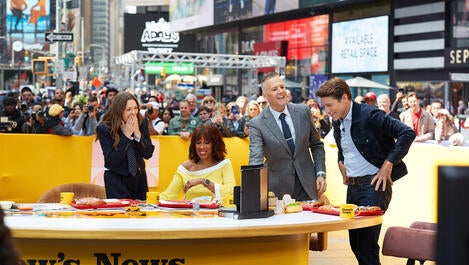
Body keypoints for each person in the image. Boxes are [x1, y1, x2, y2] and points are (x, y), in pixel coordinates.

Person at [315, 77, 415, 265]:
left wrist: (388, 164)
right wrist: (341, 162)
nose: (327, 111)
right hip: (353, 188)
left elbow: (407, 133)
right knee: (356, 245)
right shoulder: (337, 120)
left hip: (373, 186)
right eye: (325, 106)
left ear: (344, 98)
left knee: (367, 247)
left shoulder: (370, 115)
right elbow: (344, 147)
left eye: (330, 105)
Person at [249, 72, 327, 201]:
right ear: (265, 96)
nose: (281, 91)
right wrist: (254, 188)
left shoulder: (303, 111)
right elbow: (255, 159)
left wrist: (320, 173)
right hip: (277, 192)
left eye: (282, 87)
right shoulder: (257, 124)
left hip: (308, 187)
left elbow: (317, 145)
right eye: (274, 89)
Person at [95, 92, 155, 200]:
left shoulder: (142, 122)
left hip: (139, 178)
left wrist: (137, 134)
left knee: (140, 214)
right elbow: (112, 160)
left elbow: (148, 153)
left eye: (135, 108)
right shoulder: (104, 128)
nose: (133, 113)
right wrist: (126, 136)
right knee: (120, 215)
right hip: (116, 179)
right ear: (119, 110)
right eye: (129, 109)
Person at [160, 124, 236, 201]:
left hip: (216, 212)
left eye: (207, 143)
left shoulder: (224, 164)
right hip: (190, 212)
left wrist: (203, 181)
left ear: (214, 144)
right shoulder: (185, 168)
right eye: (198, 143)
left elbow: (231, 192)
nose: (202, 147)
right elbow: (168, 195)